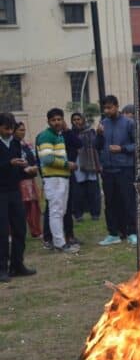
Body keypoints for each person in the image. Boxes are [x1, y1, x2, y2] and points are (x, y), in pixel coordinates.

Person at [36, 108, 79, 253]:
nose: (57, 122)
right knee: (56, 211)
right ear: (48, 122)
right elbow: (47, 159)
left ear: (63, 120)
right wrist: (68, 164)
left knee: (61, 211)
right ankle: (60, 244)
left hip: (62, 177)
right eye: (53, 120)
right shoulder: (46, 136)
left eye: (59, 119)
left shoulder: (59, 135)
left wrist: (67, 166)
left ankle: (59, 241)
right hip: (53, 178)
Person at [96, 95, 137, 246]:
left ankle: (132, 232)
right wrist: (99, 135)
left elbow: (138, 144)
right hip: (108, 169)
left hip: (125, 168)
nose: (107, 111)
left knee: (128, 201)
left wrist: (122, 149)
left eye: (109, 107)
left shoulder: (129, 123)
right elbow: (97, 146)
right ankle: (114, 233)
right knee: (110, 203)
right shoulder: (103, 124)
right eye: (105, 108)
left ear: (117, 106)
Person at [0, 113, 36, 282]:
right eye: (6, 128)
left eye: (11, 128)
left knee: (20, 228)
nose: (9, 132)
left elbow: (18, 168)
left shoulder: (15, 143)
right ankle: (2, 268)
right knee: (2, 231)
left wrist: (27, 170)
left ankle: (17, 264)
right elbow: (9, 164)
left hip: (14, 191)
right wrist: (9, 164)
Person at [70, 113, 101, 222]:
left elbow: (95, 146)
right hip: (77, 164)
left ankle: (95, 213)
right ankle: (78, 214)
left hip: (91, 163)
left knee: (93, 190)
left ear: (83, 120)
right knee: (78, 191)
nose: (76, 121)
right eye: (74, 119)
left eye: (78, 119)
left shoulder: (90, 131)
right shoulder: (70, 134)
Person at [13, 122, 41, 238]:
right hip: (18, 181)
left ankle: (36, 231)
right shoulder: (11, 145)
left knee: (34, 207)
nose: (23, 132)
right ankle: (15, 233)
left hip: (30, 179)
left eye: (24, 130)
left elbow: (35, 159)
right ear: (14, 131)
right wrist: (25, 169)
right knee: (20, 209)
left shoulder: (27, 145)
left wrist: (34, 167)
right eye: (20, 130)